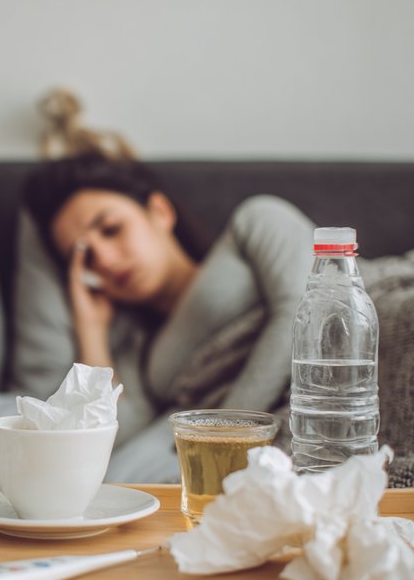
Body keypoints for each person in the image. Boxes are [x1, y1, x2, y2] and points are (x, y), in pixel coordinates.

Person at [21, 155, 315, 481]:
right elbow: (116, 434)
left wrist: (220, 436)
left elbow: (307, 310)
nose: (104, 259)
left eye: (111, 229)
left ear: (160, 211)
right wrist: (90, 328)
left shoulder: (253, 222)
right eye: (84, 257)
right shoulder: (139, 348)